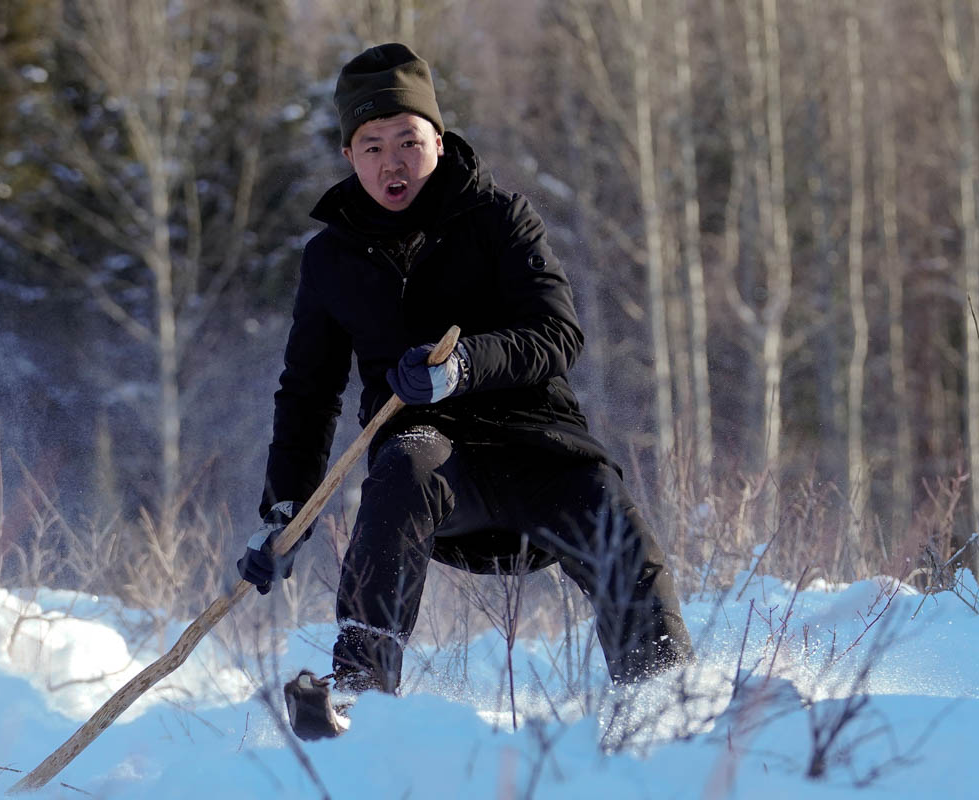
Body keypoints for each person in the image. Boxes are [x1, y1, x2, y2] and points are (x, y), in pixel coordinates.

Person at [234, 43, 693, 701]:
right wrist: (285, 513)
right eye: (372, 145)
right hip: (436, 466)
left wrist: (465, 367)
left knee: (617, 525)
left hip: (541, 450)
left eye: (408, 140)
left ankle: (665, 702)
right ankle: (360, 690)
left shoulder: (501, 219)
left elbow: (557, 334)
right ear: (348, 156)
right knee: (401, 469)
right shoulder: (332, 259)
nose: (392, 160)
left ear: (440, 142)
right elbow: (307, 393)